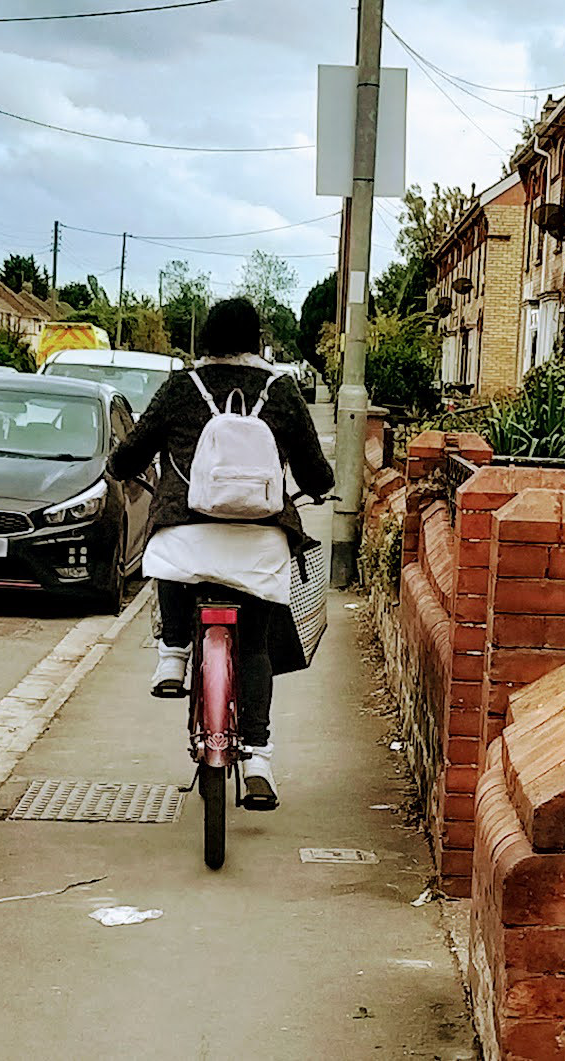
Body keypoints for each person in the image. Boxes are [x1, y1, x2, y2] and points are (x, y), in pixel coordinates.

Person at [106, 297, 333, 808]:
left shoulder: (181, 389)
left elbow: (132, 452)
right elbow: (316, 472)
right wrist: (317, 487)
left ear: (205, 338)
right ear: (256, 340)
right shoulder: (282, 392)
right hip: (259, 544)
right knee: (254, 647)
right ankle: (257, 757)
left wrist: (122, 469)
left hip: (187, 540)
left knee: (168, 554)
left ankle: (173, 655)